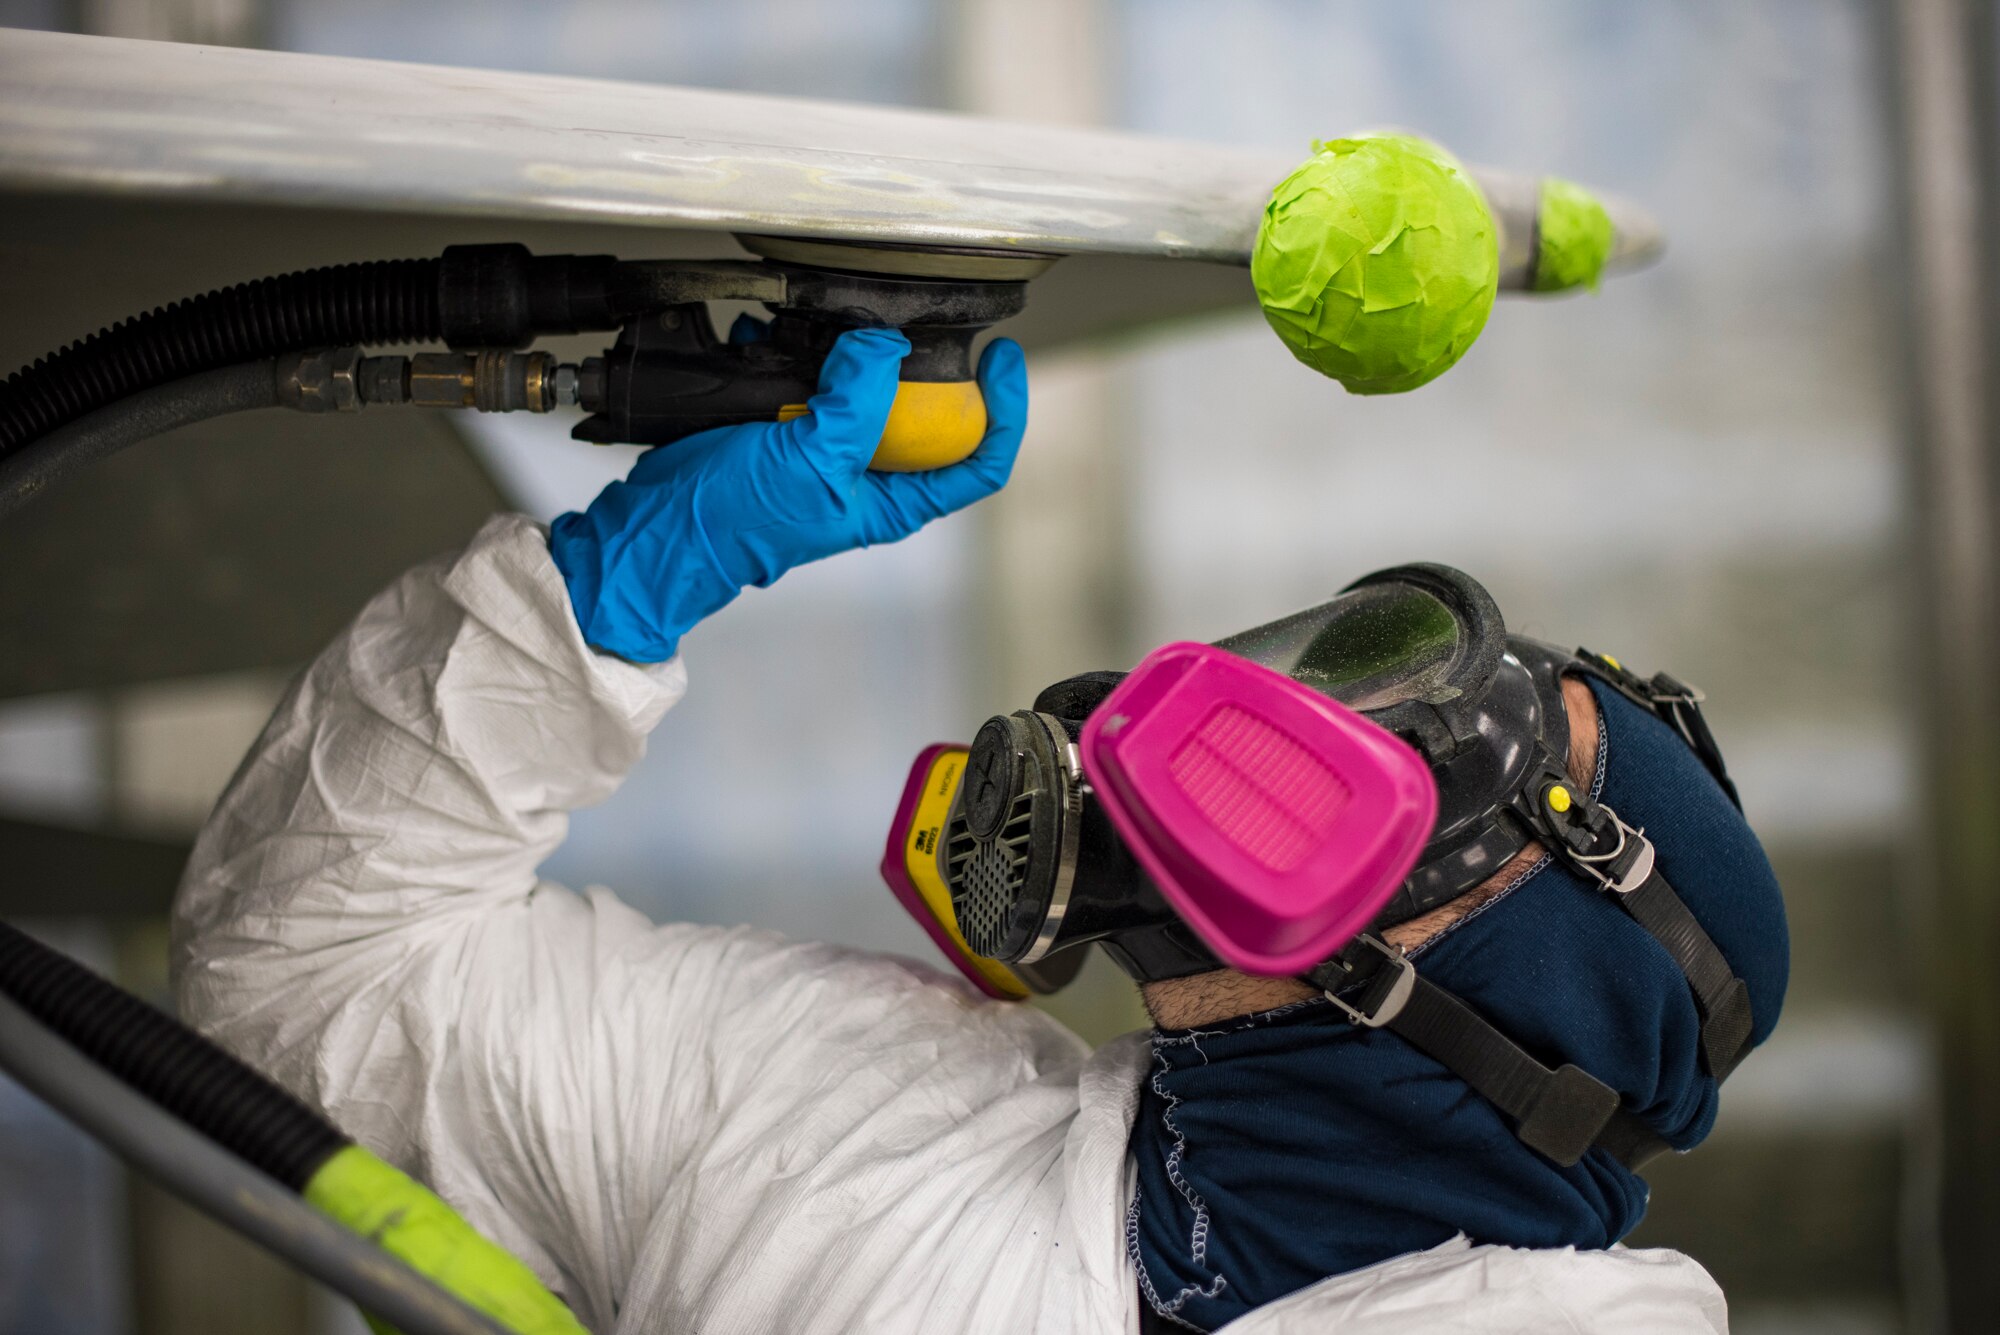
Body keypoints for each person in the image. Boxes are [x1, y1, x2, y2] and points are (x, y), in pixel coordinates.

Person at [172, 327, 1778, 1333]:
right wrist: (606, 600)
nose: (1226, 733)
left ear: (1536, 1008)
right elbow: (306, 1001)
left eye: (1380, 776)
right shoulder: (841, 1102)